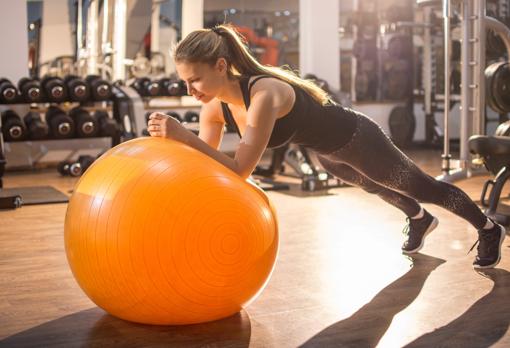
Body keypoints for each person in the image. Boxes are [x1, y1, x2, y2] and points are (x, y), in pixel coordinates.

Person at [147, 24, 506, 269]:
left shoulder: (264, 93)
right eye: (184, 82)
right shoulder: (213, 106)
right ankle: (419, 218)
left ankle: (488, 229)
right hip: (328, 155)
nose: (189, 90)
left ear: (221, 66)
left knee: (421, 186)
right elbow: (208, 164)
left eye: (194, 79)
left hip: (357, 138)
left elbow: (240, 170)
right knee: (372, 185)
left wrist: (185, 135)